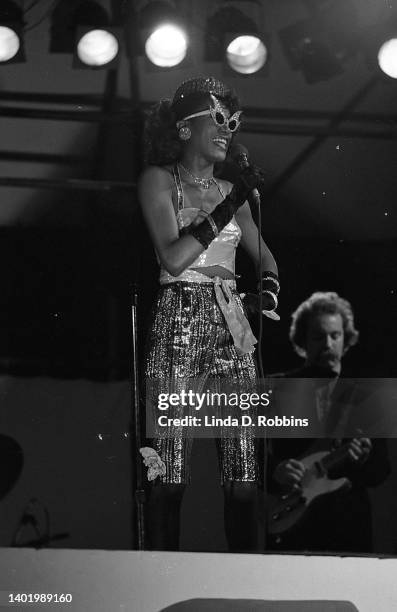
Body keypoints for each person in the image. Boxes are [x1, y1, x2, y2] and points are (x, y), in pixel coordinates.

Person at [138, 76, 279, 552]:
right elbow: (173, 259)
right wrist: (232, 202)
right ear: (183, 128)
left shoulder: (230, 189)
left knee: (243, 479)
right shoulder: (161, 179)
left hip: (232, 326)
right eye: (218, 119)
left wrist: (267, 293)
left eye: (233, 122)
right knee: (169, 476)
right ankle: (159, 585)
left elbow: (265, 256)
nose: (228, 130)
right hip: (178, 319)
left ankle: (246, 587)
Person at [267, 291, 390, 553]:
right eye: (318, 336)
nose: (328, 344)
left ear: (346, 339)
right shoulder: (278, 388)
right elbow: (251, 457)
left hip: (347, 528)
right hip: (292, 522)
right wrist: (274, 471)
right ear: (302, 341)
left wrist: (363, 460)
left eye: (335, 336)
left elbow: (381, 471)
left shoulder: (366, 397)